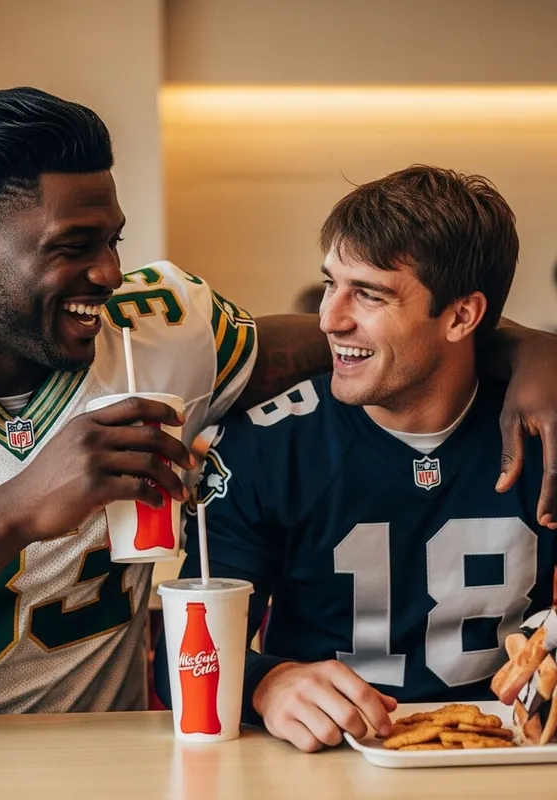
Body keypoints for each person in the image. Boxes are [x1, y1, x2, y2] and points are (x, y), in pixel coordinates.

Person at [0, 91, 554, 741]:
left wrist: (532, 351)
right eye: (75, 245)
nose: (108, 272)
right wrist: (13, 512)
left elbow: (361, 339)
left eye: (114, 240)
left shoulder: (166, 328)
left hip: (110, 757)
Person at [156, 166, 557, 752]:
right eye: (331, 284)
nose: (330, 318)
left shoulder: (542, 430)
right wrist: (267, 683)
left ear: (462, 316)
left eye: (369, 294)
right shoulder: (268, 444)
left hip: (508, 756)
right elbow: (183, 651)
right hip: (318, 762)